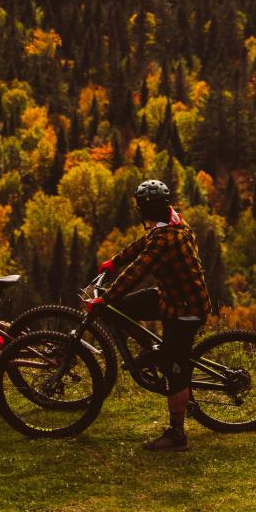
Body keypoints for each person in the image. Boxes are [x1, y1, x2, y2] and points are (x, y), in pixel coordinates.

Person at [91, 178, 211, 450]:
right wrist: (114, 261)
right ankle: (153, 350)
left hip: (185, 310)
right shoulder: (172, 222)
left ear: (145, 210)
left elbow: (137, 272)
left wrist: (105, 298)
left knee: (175, 371)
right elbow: (141, 246)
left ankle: (177, 436)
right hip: (171, 297)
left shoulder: (166, 238)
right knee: (118, 309)